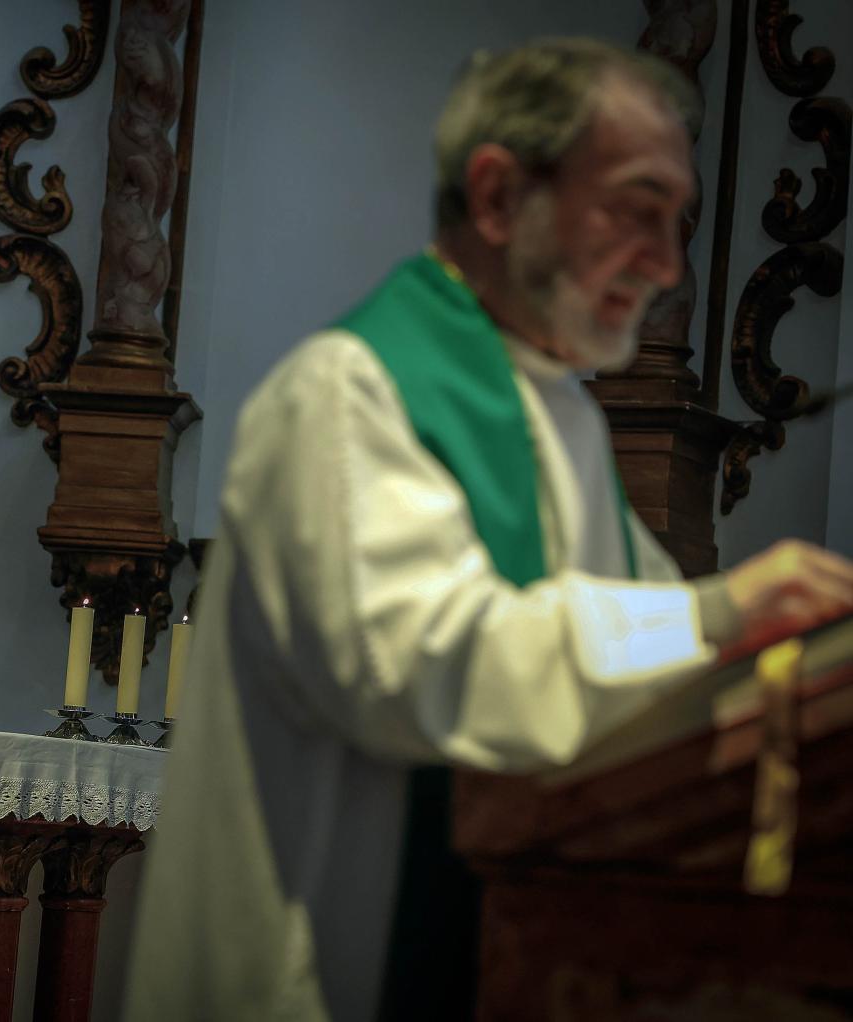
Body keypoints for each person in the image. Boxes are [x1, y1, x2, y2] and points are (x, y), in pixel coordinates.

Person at [122, 38, 853, 1022]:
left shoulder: (561, 417)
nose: (666, 264)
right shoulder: (348, 395)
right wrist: (718, 616)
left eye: (675, 222)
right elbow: (427, 668)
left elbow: (641, 665)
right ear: (501, 196)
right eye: (636, 210)